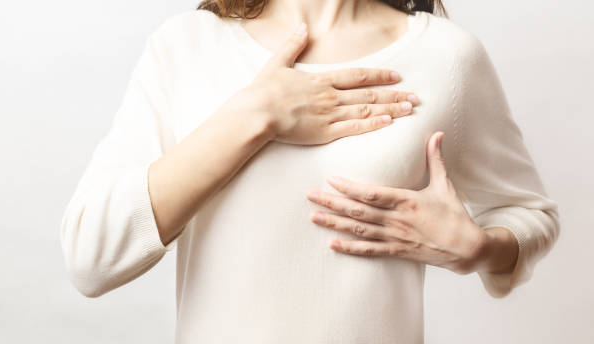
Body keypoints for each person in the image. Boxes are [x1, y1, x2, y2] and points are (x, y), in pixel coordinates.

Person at [60, 0, 560, 342]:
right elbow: (91, 256)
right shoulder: (186, 46)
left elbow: (528, 213)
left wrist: (481, 247)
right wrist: (256, 115)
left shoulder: (447, 57)